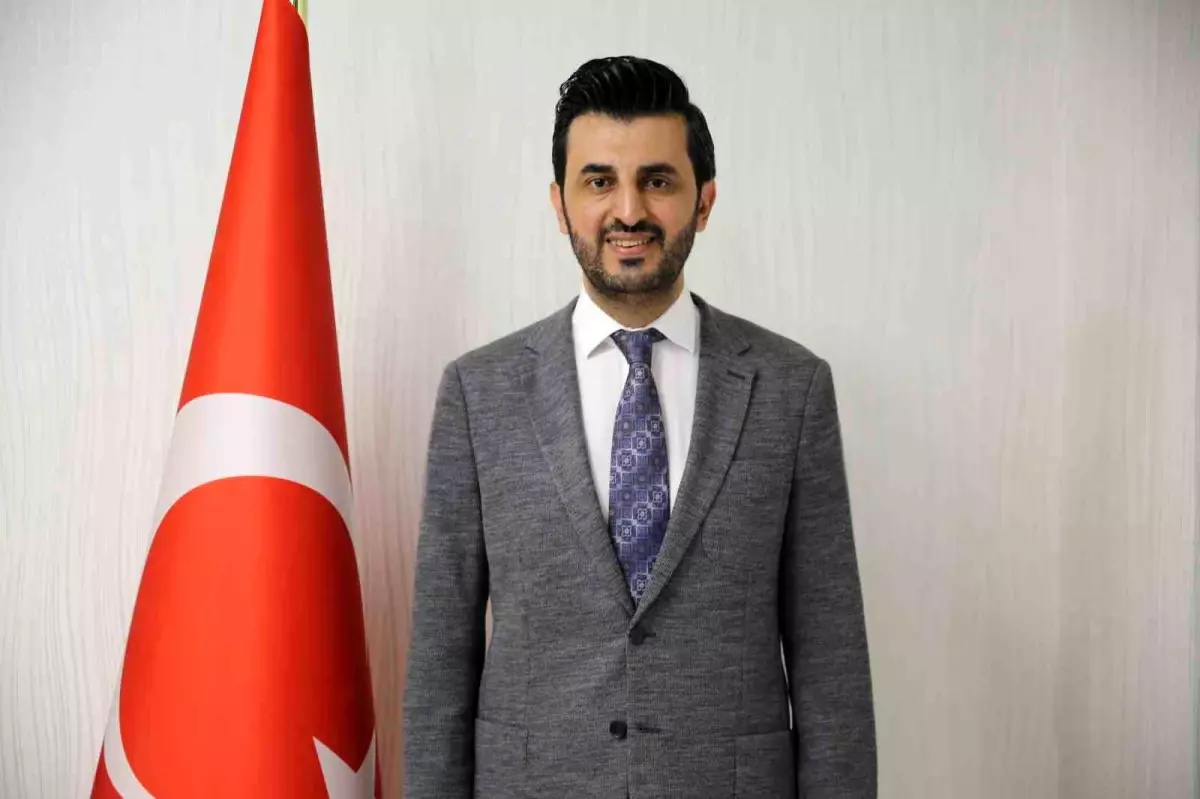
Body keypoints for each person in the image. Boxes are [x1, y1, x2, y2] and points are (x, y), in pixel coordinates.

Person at [402, 55, 876, 798]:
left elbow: (831, 659)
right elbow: (440, 665)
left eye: (657, 180)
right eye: (599, 182)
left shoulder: (790, 387)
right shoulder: (479, 392)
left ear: (704, 200)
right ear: (559, 204)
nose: (628, 211)